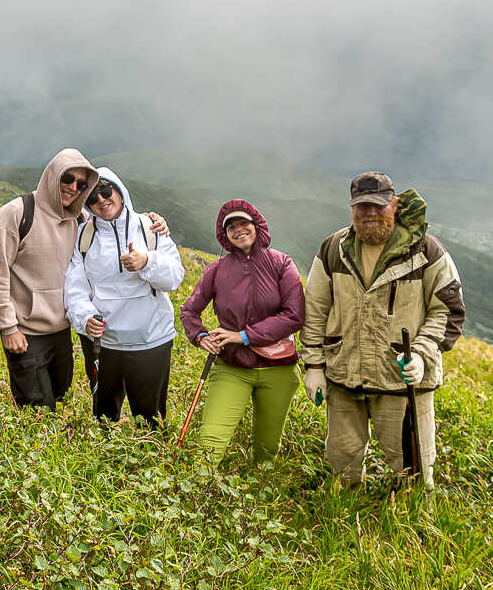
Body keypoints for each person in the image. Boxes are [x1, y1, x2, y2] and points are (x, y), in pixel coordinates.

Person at [301, 172, 465, 487]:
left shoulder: (426, 251)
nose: (371, 213)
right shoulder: (334, 249)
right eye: (362, 206)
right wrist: (315, 366)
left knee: (413, 469)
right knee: (342, 464)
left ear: (395, 205)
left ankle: (411, 515)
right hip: (344, 376)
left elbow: (448, 310)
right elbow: (315, 308)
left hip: (402, 380)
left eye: (379, 205)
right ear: (352, 208)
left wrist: (421, 355)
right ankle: (344, 511)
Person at [0, 150, 172, 409]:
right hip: (26, 331)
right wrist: (8, 327)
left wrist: (153, 222)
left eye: (82, 185)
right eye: (67, 178)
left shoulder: (81, 221)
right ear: (52, 176)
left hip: (62, 331)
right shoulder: (17, 213)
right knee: (37, 407)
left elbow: (116, 223)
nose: (73, 187)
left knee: (60, 393)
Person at [179, 200, 304, 464]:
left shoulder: (281, 263)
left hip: (278, 367)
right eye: (231, 227)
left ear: (256, 225)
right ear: (225, 235)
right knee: (209, 444)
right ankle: (199, 484)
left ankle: (262, 484)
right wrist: (200, 336)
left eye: (243, 223)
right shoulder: (216, 270)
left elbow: (294, 315)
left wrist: (243, 336)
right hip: (233, 365)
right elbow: (189, 311)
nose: (238, 230)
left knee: (267, 448)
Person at [64, 168, 184, 426]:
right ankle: (108, 451)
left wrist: (147, 262)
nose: (101, 200)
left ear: (120, 191)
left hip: (151, 340)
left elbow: (174, 277)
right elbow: (75, 286)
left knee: (151, 417)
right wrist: (85, 318)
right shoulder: (83, 236)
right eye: (92, 198)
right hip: (102, 341)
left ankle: (151, 449)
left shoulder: (150, 228)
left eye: (106, 191)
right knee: (103, 417)